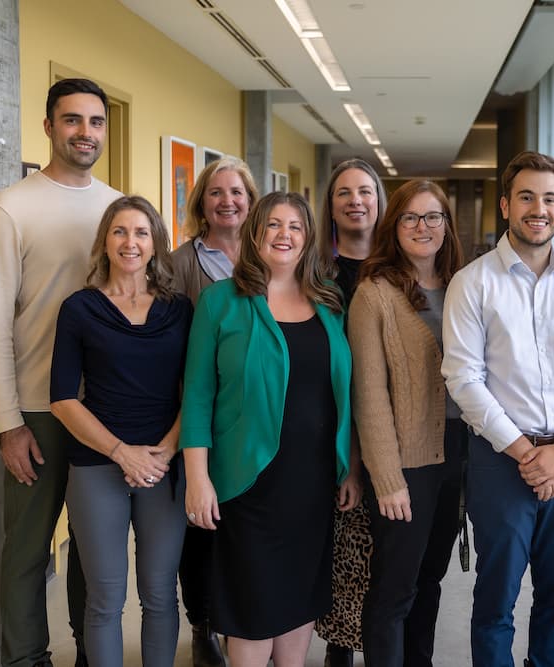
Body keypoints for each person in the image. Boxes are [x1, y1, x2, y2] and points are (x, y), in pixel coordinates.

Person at [442, 150, 554, 667]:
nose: (538, 209)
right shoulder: (473, 282)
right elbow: (463, 378)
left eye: (549, 199)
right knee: (497, 598)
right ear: (505, 205)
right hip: (500, 460)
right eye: (526, 197)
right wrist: (525, 453)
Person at [0, 77, 121, 667]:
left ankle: (93, 652)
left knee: (96, 551)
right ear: (48, 126)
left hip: (106, 407)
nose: (85, 132)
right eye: (72, 120)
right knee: (29, 553)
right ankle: (26, 658)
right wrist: (9, 423)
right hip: (37, 409)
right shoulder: (10, 208)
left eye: (95, 122)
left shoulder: (118, 207)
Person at [180, 191, 359, 667]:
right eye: (273, 225)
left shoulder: (329, 302)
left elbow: (343, 394)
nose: (284, 235)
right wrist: (198, 478)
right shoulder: (221, 302)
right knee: (253, 607)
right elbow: (197, 396)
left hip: (313, 481)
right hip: (247, 479)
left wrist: (351, 468)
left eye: (295, 227)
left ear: (308, 238)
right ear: (255, 234)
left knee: (299, 599)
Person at [50, 196, 192, 666]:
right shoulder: (80, 309)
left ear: (156, 244)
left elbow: (197, 391)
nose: (130, 242)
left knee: (159, 593)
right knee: (105, 597)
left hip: (164, 465)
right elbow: (63, 398)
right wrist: (121, 453)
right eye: (120, 232)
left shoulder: (180, 310)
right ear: (105, 242)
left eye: (141, 233)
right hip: (96, 463)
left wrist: (165, 452)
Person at [347, 180, 465, 666]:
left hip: (458, 453)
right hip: (406, 460)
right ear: (393, 227)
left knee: (431, 579)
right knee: (394, 589)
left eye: (433, 217)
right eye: (410, 218)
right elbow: (368, 397)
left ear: (446, 226)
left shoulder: (466, 284)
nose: (422, 227)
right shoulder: (373, 296)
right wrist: (387, 478)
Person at [171, 156, 259, 667]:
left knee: (245, 530)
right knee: (200, 530)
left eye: (237, 192)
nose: (227, 201)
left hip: (252, 421)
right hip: (197, 415)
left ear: (251, 201)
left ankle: (244, 623)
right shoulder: (180, 263)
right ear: (201, 203)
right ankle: (202, 624)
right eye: (216, 193)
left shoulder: (272, 256)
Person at [316, 158, 387, 667]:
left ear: (380, 201)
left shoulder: (399, 268)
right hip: (327, 427)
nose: (355, 200)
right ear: (331, 205)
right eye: (344, 192)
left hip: (387, 428)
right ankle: (339, 646)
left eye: (365, 191)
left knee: (381, 549)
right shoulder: (314, 272)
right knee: (340, 546)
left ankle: (379, 643)